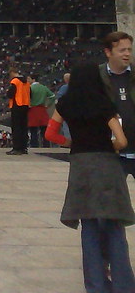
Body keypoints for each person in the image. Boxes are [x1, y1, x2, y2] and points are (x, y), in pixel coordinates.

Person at [46, 63, 135, 293]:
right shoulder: (104, 103)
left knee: (89, 227)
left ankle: (96, 286)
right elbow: (122, 140)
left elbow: (50, 133)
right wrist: (111, 145)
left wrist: (71, 143)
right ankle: (123, 285)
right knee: (113, 225)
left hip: (81, 167)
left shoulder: (65, 103)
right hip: (106, 165)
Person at [99, 31, 135, 181]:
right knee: (112, 200)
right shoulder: (96, 75)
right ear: (108, 52)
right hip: (112, 152)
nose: (127, 54)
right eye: (122, 50)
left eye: (129, 50)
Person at [5, 67, 30, 155]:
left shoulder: (15, 81)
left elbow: (10, 94)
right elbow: (30, 93)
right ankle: (24, 147)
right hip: (25, 105)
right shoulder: (27, 82)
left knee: (16, 128)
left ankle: (17, 148)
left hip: (17, 105)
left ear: (12, 73)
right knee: (24, 127)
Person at [28, 74, 52, 148]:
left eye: (29, 79)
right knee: (44, 129)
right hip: (42, 109)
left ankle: (34, 145)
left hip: (33, 109)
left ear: (33, 79)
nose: (28, 81)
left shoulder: (30, 88)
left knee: (33, 130)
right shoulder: (44, 88)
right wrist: (48, 104)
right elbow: (52, 96)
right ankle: (46, 145)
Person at [57, 71, 71, 142]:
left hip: (66, 109)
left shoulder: (64, 87)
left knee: (66, 126)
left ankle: (68, 141)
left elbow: (59, 97)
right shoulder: (77, 87)